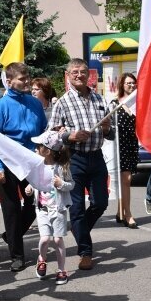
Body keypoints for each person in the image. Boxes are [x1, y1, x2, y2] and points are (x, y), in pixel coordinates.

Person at [48, 58, 114, 271]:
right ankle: (85, 252)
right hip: (73, 159)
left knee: (100, 203)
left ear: (89, 75)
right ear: (68, 75)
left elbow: (111, 133)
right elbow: (52, 136)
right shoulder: (62, 103)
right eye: (75, 72)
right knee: (76, 208)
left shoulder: (99, 99)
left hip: (96, 157)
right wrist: (70, 136)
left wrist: (106, 129)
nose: (79, 75)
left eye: (83, 71)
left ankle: (79, 229)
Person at [0, 62, 47, 271]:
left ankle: (12, 235)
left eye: (27, 77)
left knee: (33, 205)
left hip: (30, 161)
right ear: (9, 81)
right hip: (6, 163)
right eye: (22, 79)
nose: (27, 81)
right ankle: (17, 255)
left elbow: (42, 133)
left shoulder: (35, 104)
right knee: (11, 209)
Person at [26, 130, 73, 285]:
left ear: (47, 150)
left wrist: (62, 184)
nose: (36, 149)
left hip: (58, 208)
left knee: (58, 239)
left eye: (38, 146)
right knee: (45, 239)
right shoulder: (37, 165)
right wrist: (30, 188)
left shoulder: (62, 167)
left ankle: (61, 270)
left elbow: (71, 184)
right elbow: (34, 182)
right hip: (42, 208)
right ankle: (42, 258)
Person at [110, 73, 139, 228]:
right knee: (125, 181)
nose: (131, 85)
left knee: (125, 181)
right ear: (122, 84)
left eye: (133, 83)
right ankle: (128, 214)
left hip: (131, 145)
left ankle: (120, 211)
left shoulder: (138, 103)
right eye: (128, 83)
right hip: (118, 145)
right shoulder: (114, 104)